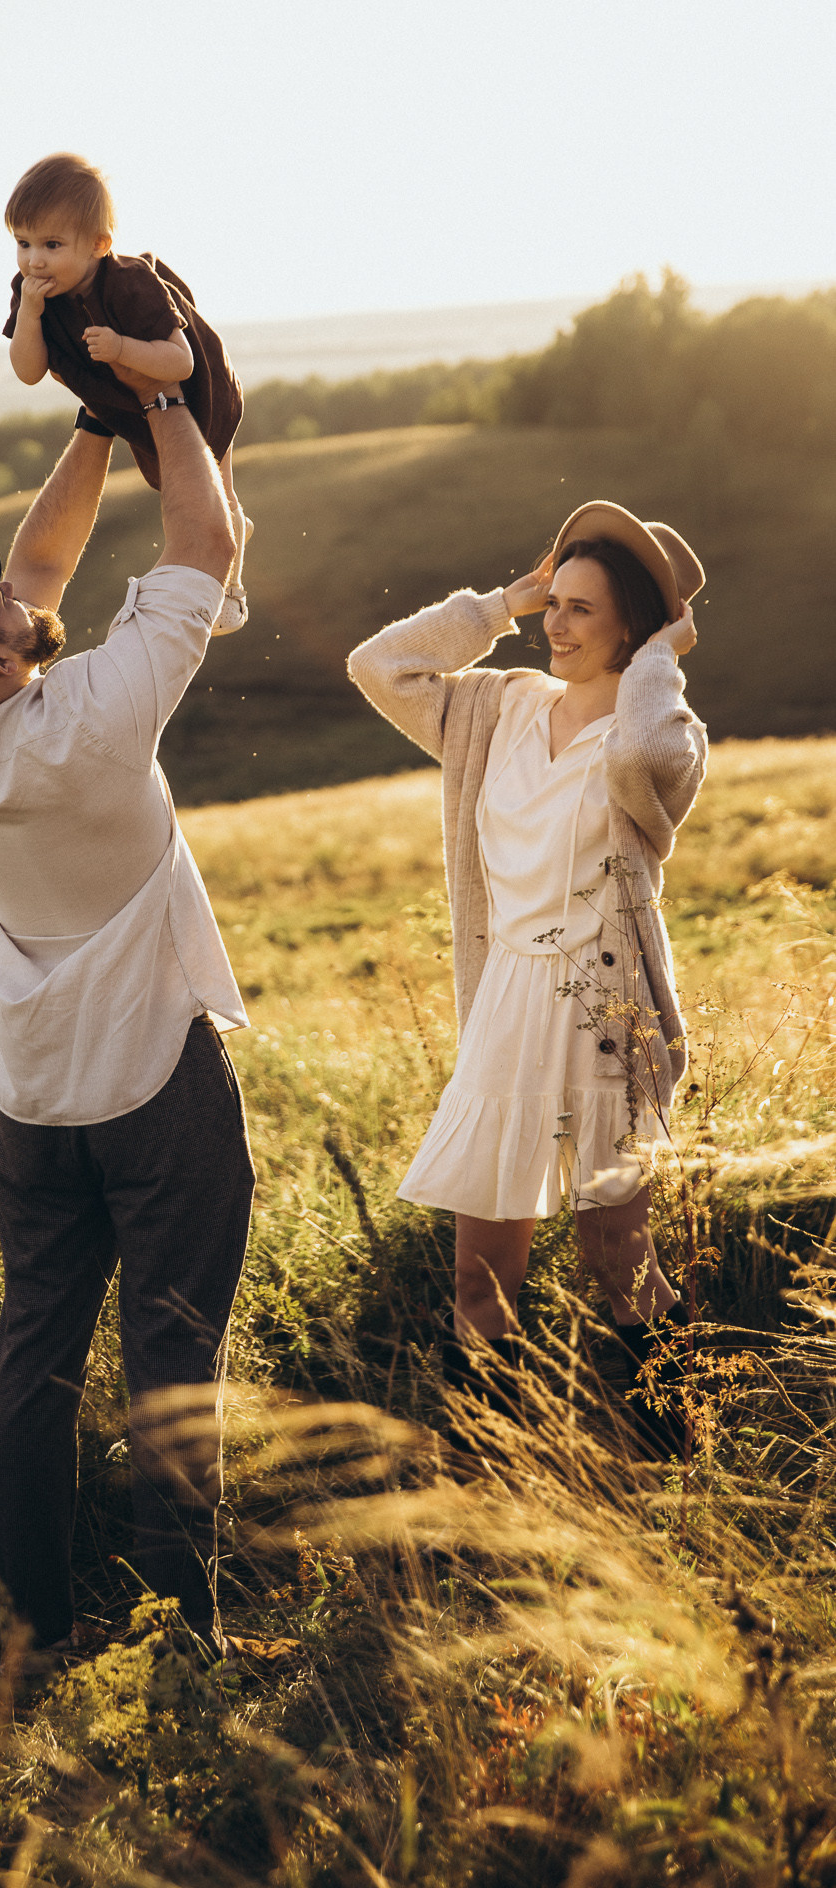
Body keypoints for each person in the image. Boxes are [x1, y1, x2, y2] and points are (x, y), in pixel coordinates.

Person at [0, 393, 255, 1661]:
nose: (20, 593)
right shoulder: (93, 717)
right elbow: (203, 534)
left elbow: (38, 567)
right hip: (154, 1085)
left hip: (32, 1101)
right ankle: (183, 1624)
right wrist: (155, 398)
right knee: (172, 1344)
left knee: (32, 1355)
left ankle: (34, 1624)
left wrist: (90, 430)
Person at [346, 502, 707, 1449]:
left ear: (634, 625)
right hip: (505, 1006)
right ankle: (500, 1478)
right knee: (480, 1275)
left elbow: (638, 753)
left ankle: (668, 1460)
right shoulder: (495, 708)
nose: (558, 623)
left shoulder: (663, 732)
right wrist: (500, 602)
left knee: (619, 1259)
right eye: (556, 600)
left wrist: (660, 660)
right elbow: (376, 666)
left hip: (601, 1012)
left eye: (582, 609)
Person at [3, 150, 251, 636]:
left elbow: (180, 361)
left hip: (198, 395)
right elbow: (28, 371)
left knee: (209, 493)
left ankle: (231, 590)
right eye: (23, 242)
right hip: (127, 402)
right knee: (171, 489)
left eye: (52, 244)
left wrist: (122, 347)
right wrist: (29, 316)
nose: (35, 259)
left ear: (99, 244)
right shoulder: (31, 292)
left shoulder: (131, 283)